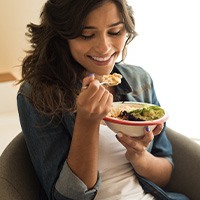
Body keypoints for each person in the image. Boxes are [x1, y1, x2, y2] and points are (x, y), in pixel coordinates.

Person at [17, 0, 189, 199]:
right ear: (63, 35)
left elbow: (165, 173)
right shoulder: (37, 94)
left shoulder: (139, 79)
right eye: (87, 35)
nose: (104, 48)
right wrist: (87, 123)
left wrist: (139, 155)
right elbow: (65, 197)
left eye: (115, 32)